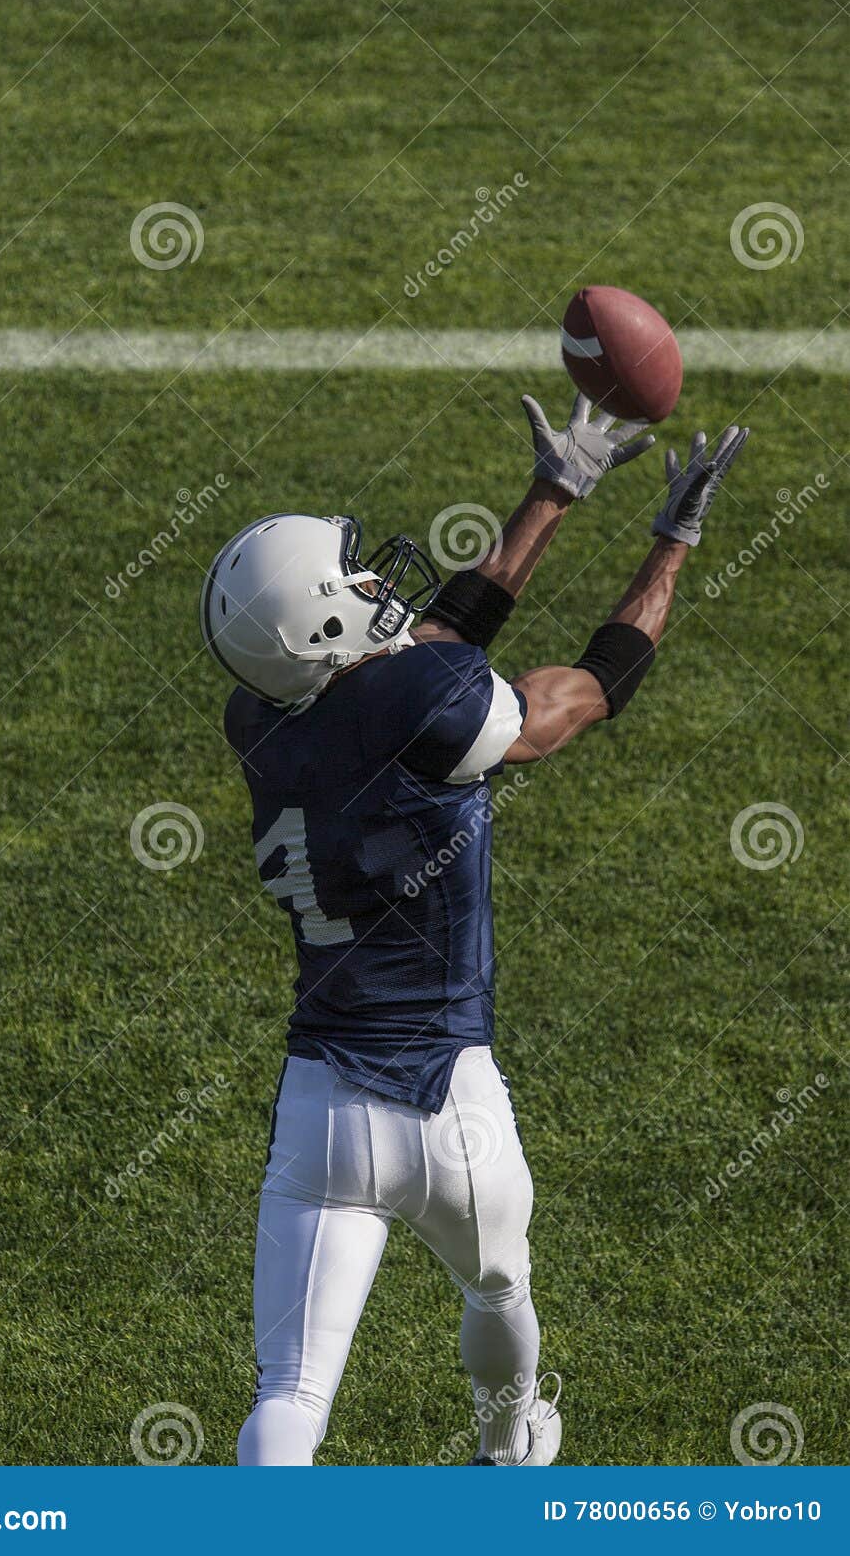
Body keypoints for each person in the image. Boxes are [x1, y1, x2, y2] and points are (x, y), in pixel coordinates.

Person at [199, 393, 749, 1466]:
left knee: (292, 1391)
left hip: (321, 1110)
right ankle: (511, 1442)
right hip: (451, 1102)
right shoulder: (424, 703)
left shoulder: (261, 724)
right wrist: (670, 546)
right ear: (319, 623)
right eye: (354, 585)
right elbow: (590, 688)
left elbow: (411, 659)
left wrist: (551, 494)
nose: (377, 589)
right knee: (499, 1282)